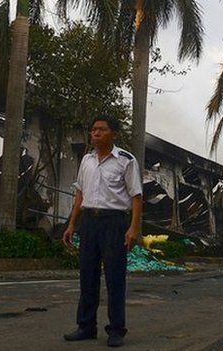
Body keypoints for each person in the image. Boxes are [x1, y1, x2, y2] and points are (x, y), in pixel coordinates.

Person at [62, 115, 143, 348]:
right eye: (93, 129)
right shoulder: (86, 160)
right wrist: (71, 224)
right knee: (87, 276)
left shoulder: (126, 161)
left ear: (113, 134)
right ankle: (86, 327)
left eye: (101, 129)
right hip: (89, 222)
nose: (95, 133)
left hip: (114, 223)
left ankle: (116, 330)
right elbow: (80, 194)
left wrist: (133, 229)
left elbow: (136, 196)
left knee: (115, 278)